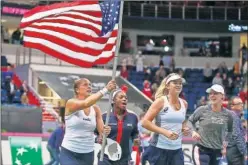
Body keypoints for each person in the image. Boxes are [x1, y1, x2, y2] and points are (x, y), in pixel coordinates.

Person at [60, 78, 116, 165]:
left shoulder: (96, 109)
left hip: (88, 154)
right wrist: (106, 90)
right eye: (85, 84)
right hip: (69, 152)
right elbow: (86, 103)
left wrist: (105, 131)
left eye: (90, 85)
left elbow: (102, 131)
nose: (89, 87)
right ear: (77, 90)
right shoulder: (71, 103)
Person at [141, 73, 190, 165]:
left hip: (177, 150)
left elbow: (182, 122)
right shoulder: (160, 101)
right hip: (159, 149)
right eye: (175, 83)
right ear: (167, 86)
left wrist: (184, 129)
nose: (178, 85)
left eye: (180, 83)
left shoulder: (185, 103)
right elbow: (145, 122)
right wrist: (165, 132)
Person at [188, 84, 233, 165]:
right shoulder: (202, 110)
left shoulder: (228, 114)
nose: (212, 95)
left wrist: (225, 146)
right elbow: (190, 121)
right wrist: (193, 132)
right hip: (201, 150)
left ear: (222, 96)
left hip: (217, 151)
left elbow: (229, 132)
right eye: (210, 93)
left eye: (215, 93)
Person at [97, 86, 139, 165]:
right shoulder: (104, 116)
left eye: (126, 98)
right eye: (121, 97)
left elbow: (135, 133)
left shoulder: (133, 117)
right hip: (105, 156)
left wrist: (136, 139)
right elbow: (95, 133)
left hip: (123, 158)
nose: (124, 99)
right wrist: (98, 139)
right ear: (113, 100)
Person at [227, 96, 247, 165]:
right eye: (239, 103)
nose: (241, 105)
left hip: (234, 150)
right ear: (232, 106)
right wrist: (244, 152)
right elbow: (237, 136)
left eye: (242, 103)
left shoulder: (238, 116)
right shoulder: (233, 117)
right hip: (235, 151)